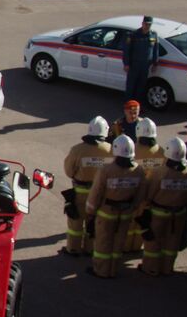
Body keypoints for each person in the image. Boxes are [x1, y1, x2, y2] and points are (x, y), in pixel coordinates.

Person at [135, 137, 187, 276]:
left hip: (159, 212)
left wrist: (144, 208)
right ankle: (167, 268)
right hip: (179, 213)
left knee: (153, 242)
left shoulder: (160, 172)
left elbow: (150, 193)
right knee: (172, 242)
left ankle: (151, 268)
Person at [85, 135, 144, 278]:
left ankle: (101, 270)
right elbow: (141, 193)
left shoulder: (106, 170)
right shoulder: (138, 170)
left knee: (103, 243)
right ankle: (113, 269)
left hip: (106, 213)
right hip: (125, 213)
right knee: (119, 242)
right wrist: (133, 207)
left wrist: (90, 211)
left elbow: (96, 192)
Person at [61, 116, 112, 256]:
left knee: (75, 223)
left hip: (80, 192)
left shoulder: (77, 150)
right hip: (101, 195)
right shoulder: (111, 150)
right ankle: (91, 249)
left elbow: (69, 171)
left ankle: (73, 248)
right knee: (94, 221)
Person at [124, 118, 166, 253]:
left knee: (130, 223)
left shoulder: (132, 150)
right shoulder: (162, 152)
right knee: (144, 222)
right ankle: (137, 246)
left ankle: (125, 247)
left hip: (133, 193)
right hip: (153, 195)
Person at [123, 16, 160, 105]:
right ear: (142, 23)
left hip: (145, 66)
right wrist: (126, 64)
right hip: (134, 65)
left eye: (149, 24)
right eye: (146, 24)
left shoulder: (153, 35)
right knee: (131, 86)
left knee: (141, 87)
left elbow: (155, 50)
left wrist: (155, 63)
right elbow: (126, 50)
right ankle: (128, 105)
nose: (147, 26)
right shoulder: (133, 35)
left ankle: (137, 106)